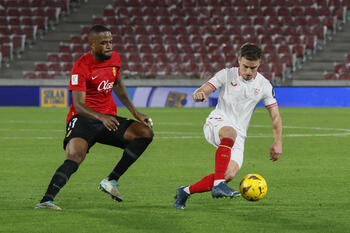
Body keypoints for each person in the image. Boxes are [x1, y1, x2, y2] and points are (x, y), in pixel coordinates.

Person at [35, 25, 154, 210]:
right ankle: (46, 200)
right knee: (75, 156)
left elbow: (118, 84)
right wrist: (100, 117)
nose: (109, 46)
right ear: (92, 45)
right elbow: (78, 104)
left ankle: (111, 181)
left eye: (110, 42)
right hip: (84, 118)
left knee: (145, 133)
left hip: (108, 118)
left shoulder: (115, 59)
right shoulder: (81, 66)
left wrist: (135, 112)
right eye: (104, 43)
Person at [174, 43, 282, 209]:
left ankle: (185, 192)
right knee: (230, 134)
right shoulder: (226, 74)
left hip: (239, 134)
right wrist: (199, 94)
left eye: (253, 68)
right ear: (239, 60)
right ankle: (218, 185)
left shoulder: (264, 85)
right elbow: (204, 89)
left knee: (229, 174)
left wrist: (278, 141)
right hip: (218, 122)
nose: (248, 72)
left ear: (259, 64)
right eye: (245, 66)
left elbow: (275, 115)